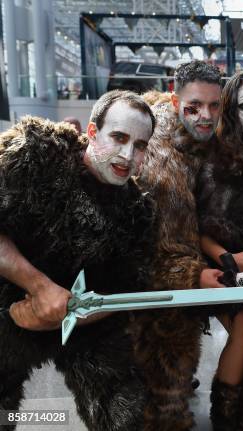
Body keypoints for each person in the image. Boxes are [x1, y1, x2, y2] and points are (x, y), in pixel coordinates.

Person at [0, 90, 155, 431]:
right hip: (5, 305)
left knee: (124, 409)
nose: (128, 155)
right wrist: (38, 287)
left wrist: (64, 316)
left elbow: (126, 292)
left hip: (85, 322)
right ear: (92, 132)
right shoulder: (35, 154)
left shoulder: (138, 213)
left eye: (140, 145)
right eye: (118, 137)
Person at [130, 61, 228, 431]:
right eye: (194, 107)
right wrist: (195, 273)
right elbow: (156, 247)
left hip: (178, 284)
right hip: (154, 297)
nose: (205, 116)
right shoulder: (160, 161)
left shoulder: (199, 140)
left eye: (214, 105)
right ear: (174, 101)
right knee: (163, 398)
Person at [196, 71, 243, 429]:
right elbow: (195, 228)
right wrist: (227, 259)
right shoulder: (216, 158)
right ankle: (225, 418)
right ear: (230, 110)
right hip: (218, 266)